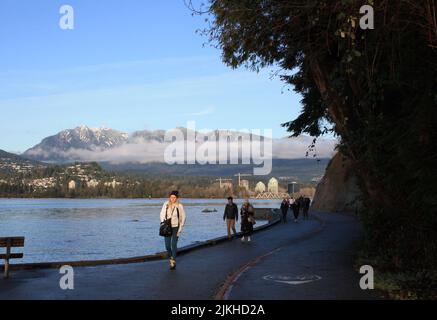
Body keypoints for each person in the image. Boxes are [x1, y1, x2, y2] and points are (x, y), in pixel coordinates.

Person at [160, 190, 186, 270]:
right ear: (169, 197)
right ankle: (172, 256)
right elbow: (161, 214)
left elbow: (183, 218)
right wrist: (163, 222)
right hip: (167, 227)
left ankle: (173, 261)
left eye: (174, 197)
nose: (173, 199)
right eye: (171, 197)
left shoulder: (180, 206)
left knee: (173, 244)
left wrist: (180, 229)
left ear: (177, 198)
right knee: (167, 246)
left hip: (176, 227)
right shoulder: (166, 204)